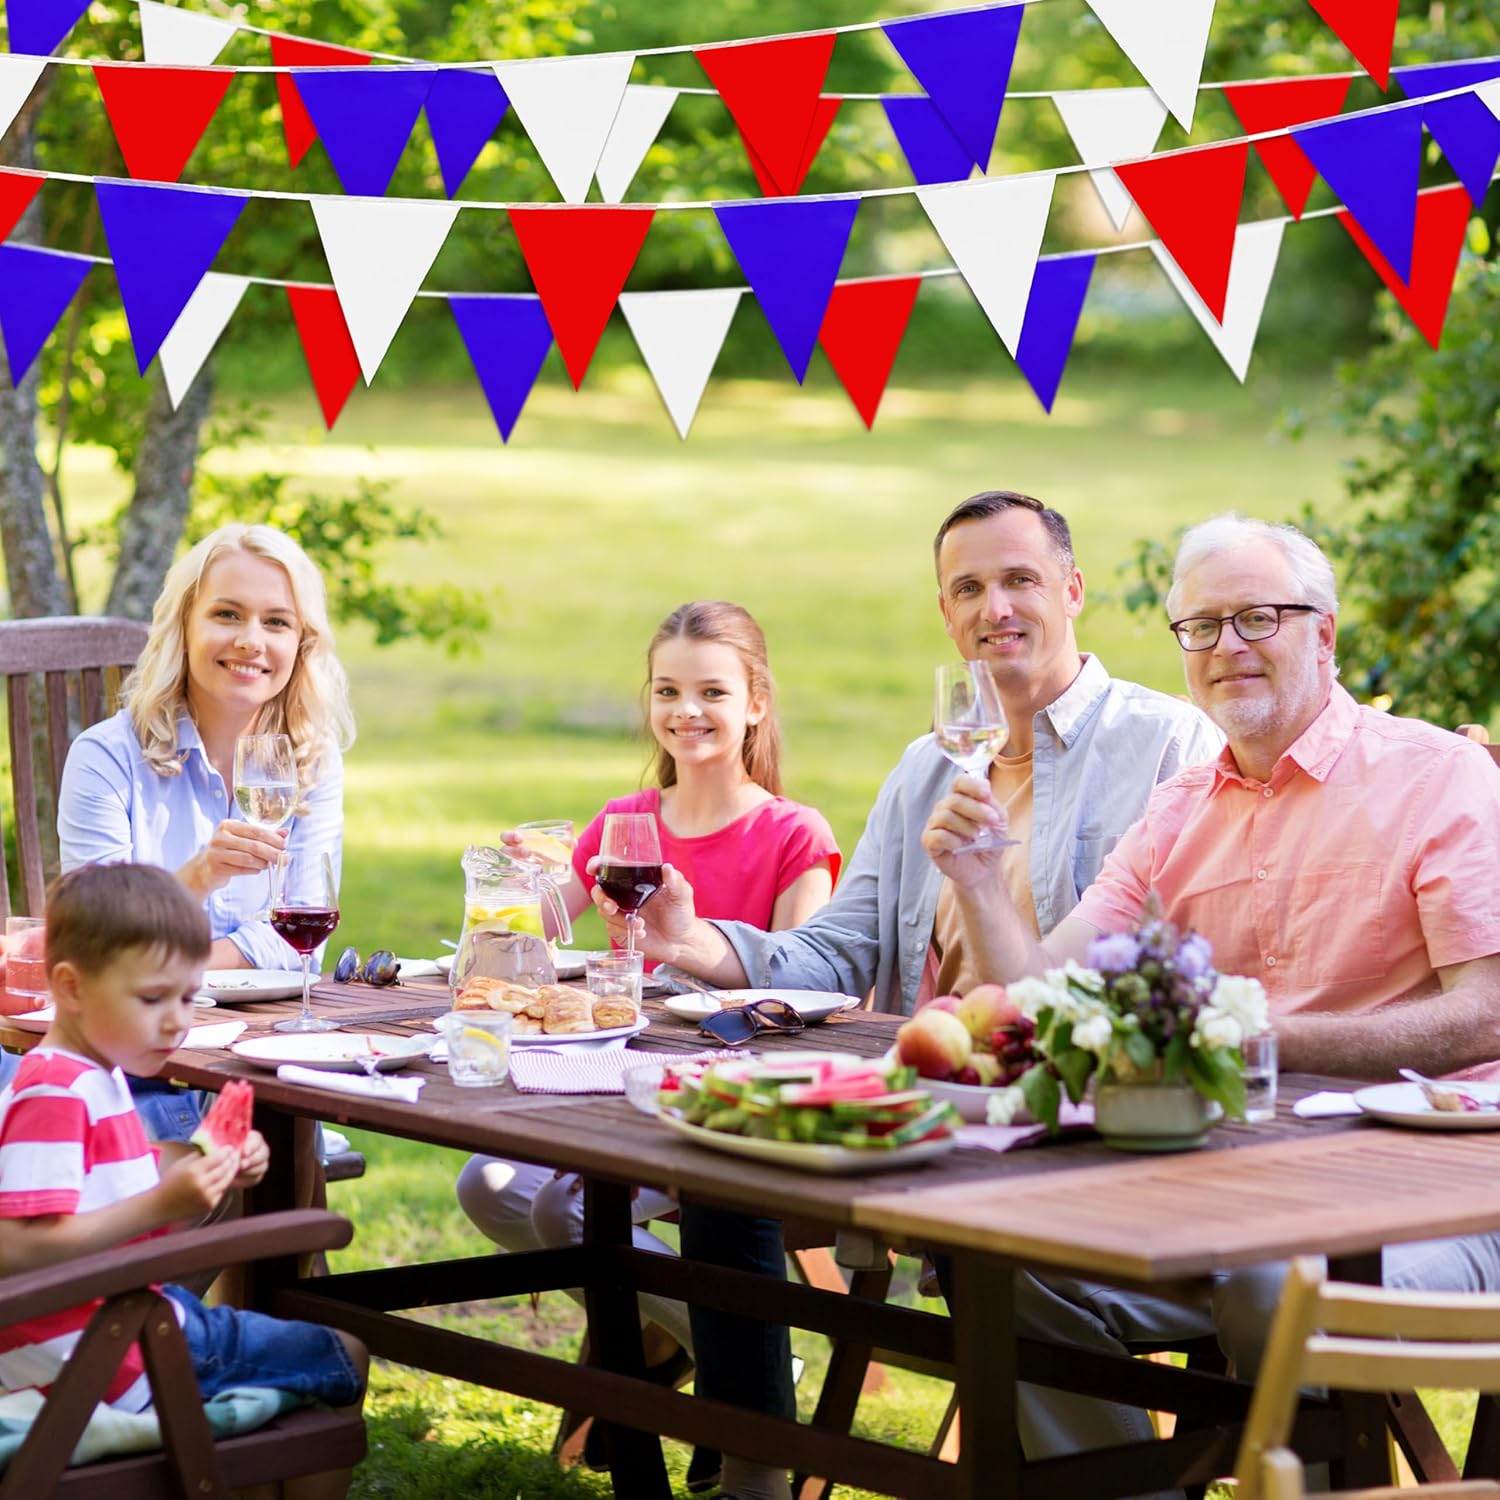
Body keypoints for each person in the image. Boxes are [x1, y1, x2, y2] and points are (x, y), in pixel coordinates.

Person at [924, 513, 1500, 1489]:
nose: (1227, 648)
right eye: (1201, 627)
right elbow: (1035, 995)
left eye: (1256, 619)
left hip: (1441, 1197)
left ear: (1323, 633)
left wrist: (1270, 1038)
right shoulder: (1180, 808)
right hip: (1231, 1193)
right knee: (1006, 1267)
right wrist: (980, 882)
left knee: (1281, 1285)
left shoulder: (1440, 776)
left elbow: (1487, 1016)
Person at [454, 600, 840, 1500]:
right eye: (669, 690)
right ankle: (729, 1366)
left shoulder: (793, 833)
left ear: (757, 704)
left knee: (567, 1216)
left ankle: (733, 1400)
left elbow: (806, 992)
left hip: (726, 1097)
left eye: (712, 690)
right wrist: (517, 884)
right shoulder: (626, 821)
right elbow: (535, 939)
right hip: (608, 1082)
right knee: (488, 1183)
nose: (687, 711)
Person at [595, 491, 1221, 1009]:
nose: (995, 608)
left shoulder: (1168, 742)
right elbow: (838, 952)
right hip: (933, 1081)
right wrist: (691, 941)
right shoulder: (927, 769)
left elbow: (1193, 959)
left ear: (1073, 591)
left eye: (1020, 580)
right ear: (947, 613)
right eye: (969, 589)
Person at [0, 863, 367, 1499]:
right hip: (100, 1353)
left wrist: (198, 1161)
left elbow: (116, 1179)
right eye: (152, 999)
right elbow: (13, 1248)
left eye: (189, 997)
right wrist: (159, 1205)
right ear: (71, 986)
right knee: (343, 1356)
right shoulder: (57, 1093)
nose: (176, 1022)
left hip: (112, 1328)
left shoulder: (89, 1074)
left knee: (284, 1380)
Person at [57, 522, 354, 1144]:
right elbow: (102, 945)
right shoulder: (106, 758)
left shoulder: (311, 763)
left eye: (277, 622)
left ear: (301, 644)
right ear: (184, 625)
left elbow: (300, 939)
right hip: (123, 1068)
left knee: (276, 1138)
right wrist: (196, 879)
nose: (251, 641)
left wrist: (163, 972)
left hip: (260, 1061)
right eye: (227, 614)